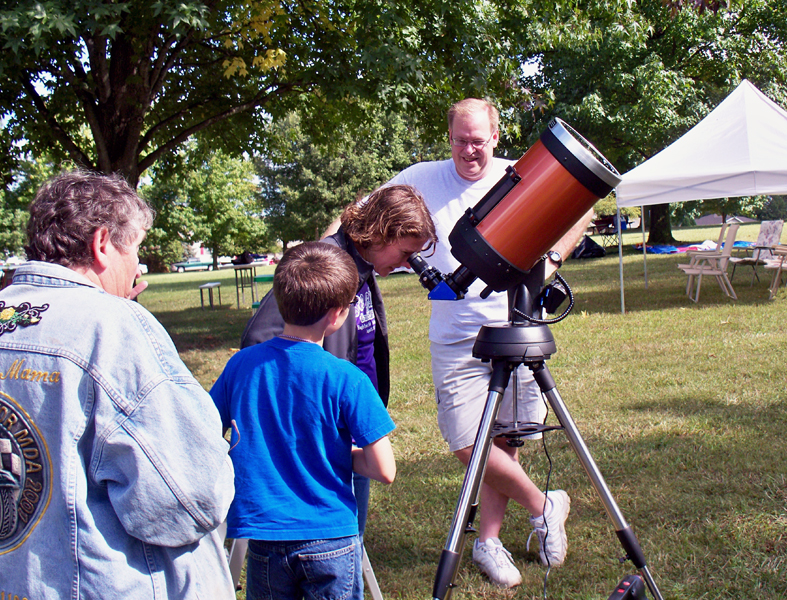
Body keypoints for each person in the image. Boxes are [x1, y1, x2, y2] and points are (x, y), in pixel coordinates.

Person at [0, 170, 236, 599]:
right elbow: (190, 500)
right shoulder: (111, 325)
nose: (138, 265)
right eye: (136, 248)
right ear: (103, 243)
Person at [383, 98, 594, 588]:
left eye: (479, 140)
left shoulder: (521, 176)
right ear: (449, 138)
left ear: (496, 137)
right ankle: (546, 505)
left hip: (514, 323)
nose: (469, 150)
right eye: (460, 140)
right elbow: (364, 215)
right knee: (465, 442)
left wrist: (553, 262)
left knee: (507, 439)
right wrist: (321, 253)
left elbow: (582, 205)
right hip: (456, 337)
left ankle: (488, 543)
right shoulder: (421, 177)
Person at [240, 184, 437, 542]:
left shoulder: (360, 265)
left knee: (343, 542)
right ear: (381, 232)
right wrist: (304, 419)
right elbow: (259, 342)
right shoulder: (327, 263)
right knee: (330, 547)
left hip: (347, 431)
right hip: (320, 441)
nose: (410, 263)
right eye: (406, 252)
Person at [212, 241, 397, 600]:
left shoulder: (241, 365)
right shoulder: (348, 378)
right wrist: (338, 453)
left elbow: (204, 429)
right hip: (331, 536)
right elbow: (384, 469)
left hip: (264, 537)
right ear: (338, 315)